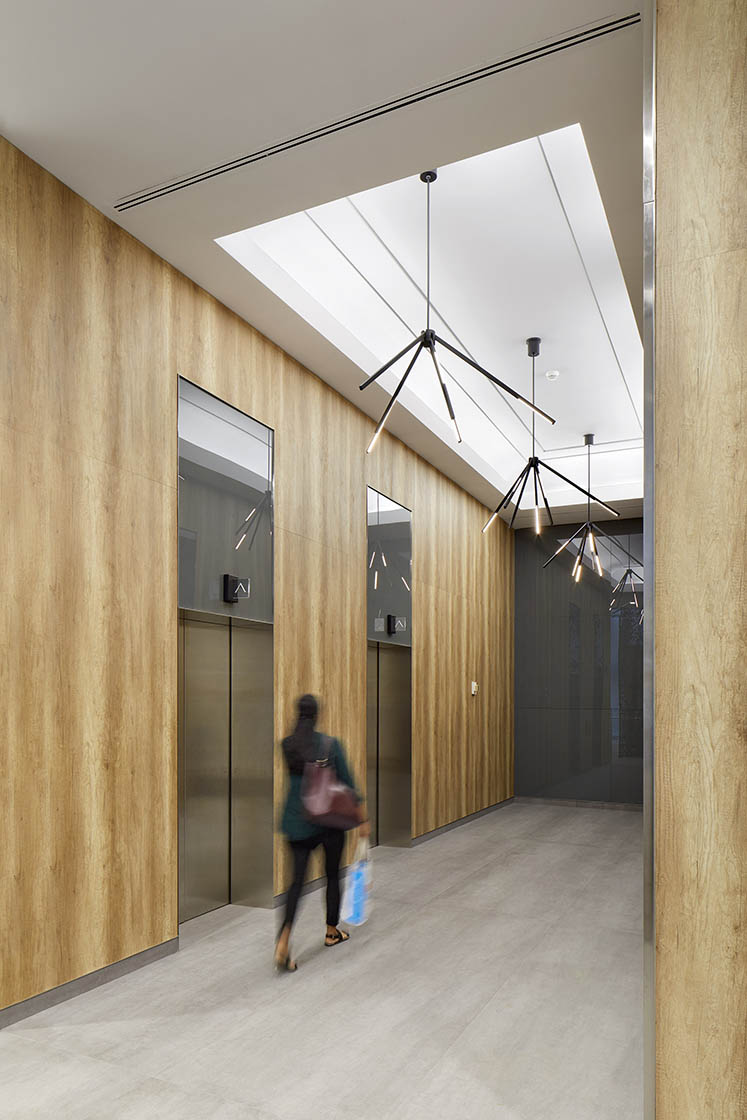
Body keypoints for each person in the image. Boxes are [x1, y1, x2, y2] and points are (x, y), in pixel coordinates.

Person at [275, 694, 369, 972]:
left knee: (296, 884)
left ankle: (283, 940)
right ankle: (331, 931)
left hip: (296, 823)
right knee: (331, 876)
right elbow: (349, 784)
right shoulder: (329, 744)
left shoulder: (287, 745)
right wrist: (363, 820)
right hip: (327, 821)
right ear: (317, 715)